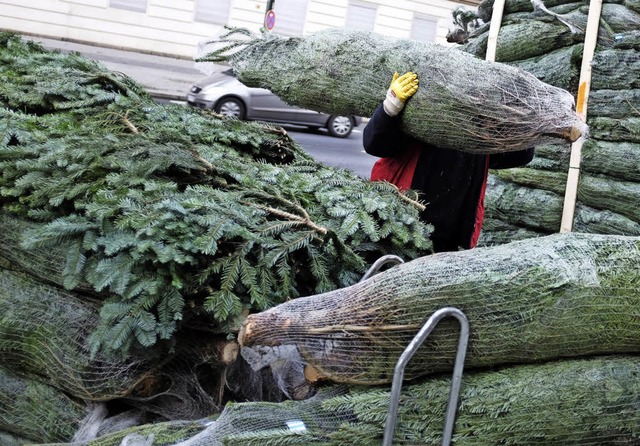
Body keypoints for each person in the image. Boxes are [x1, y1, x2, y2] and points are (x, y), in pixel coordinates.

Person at [364, 71, 535, 253]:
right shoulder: (422, 114)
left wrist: (523, 116)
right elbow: (374, 143)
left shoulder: (481, 135)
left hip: (449, 242)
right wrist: (390, 107)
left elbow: (521, 155)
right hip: (396, 227)